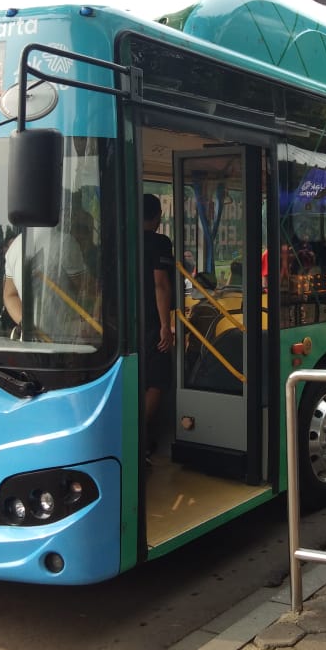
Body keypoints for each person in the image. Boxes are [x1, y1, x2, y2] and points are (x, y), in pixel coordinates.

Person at [143, 193, 174, 460]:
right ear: (156, 217)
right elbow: (160, 284)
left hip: (123, 321)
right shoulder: (159, 243)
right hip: (151, 321)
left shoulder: (121, 240)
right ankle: (138, 436)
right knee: (157, 380)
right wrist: (166, 326)